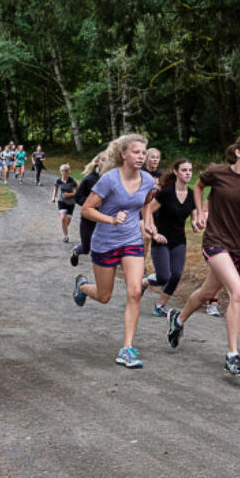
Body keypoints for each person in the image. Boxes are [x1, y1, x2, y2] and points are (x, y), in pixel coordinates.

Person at [166, 134, 240, 377]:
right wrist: (201, 211)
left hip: (236, 246)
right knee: (239, 293)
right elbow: (199, 186)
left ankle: (177, 320)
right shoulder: (218, 172)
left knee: (207, 293)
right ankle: (232, 355)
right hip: (214, 241)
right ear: (238, 152)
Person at [71, 135, 159, 368]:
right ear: (124, 155)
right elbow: (87, 210)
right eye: (136, 152)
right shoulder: (109, 180)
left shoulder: (148, 180)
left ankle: (127, 349)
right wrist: (110, 219)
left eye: (144, 152)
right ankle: (82, 287)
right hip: (105, 242)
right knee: (104, 296)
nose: (142, 156)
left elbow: (147, 202)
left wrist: (148, 222)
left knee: (135, 292)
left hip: (131, 241)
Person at [144, 158, 196, 317]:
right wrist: (154, 233)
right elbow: (148, 210)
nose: (188, 173)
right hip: (161, 238)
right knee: (163, 276)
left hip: (179, 240)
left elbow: (194, 217)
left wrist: (196, 223)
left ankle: (160, 306)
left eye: (190, 170)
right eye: (184, 170)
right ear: (176, 172)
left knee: (176, 274)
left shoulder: (192, 194)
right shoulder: (166, 193)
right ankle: (144, 282)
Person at [69, 153, 106, 267]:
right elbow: (77, 198)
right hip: (89, 219)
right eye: (103, 160)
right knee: (86, 248)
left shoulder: (114, 179)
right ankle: (76, 252)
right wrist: (93, 203)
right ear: (97, 162)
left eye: (108, 160)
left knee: (103, 247)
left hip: (105, 219)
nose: (106, 163)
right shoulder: (89, 179)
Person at [52, 163, 78, 243]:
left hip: (71, 202)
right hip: (61, 201)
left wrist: (70, 194)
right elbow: (55, 189)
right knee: (63, 218)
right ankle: (66, 236)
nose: (64, 172)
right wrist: (53, 197)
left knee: (67, 221)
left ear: (68, 172)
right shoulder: (58, 180)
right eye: (62, 170)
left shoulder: (72, 181)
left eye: (66, 170)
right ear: (60, 171)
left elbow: (78, 191)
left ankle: (64, 229)